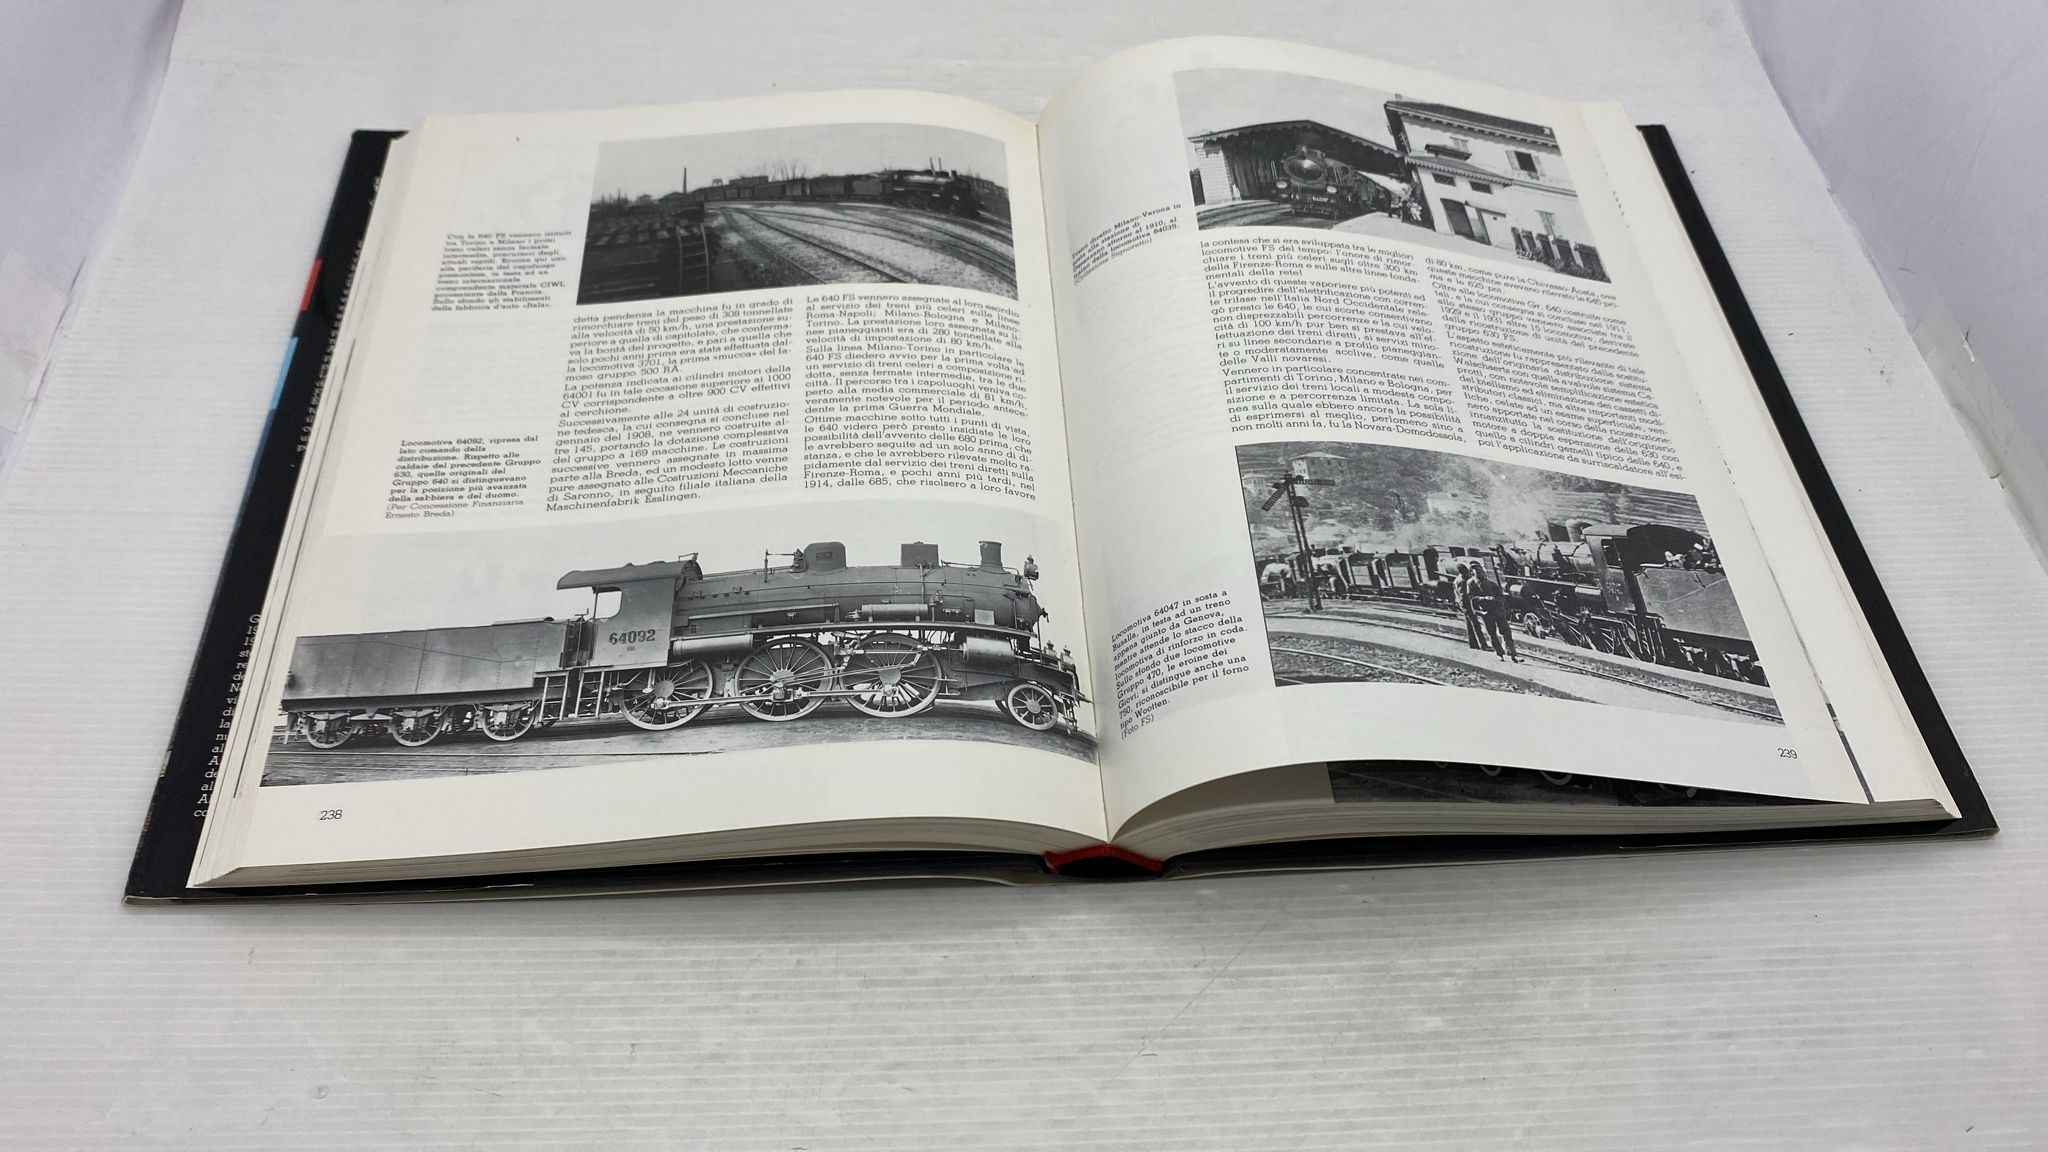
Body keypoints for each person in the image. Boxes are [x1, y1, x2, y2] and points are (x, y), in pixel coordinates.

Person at [1472, 566, 1521, 662]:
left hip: (1498, 610)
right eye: (1477, 573)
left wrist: (1497, 601)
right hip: (1486, 612)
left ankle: (1513, 654)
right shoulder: (1471, 584)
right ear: (1474, 573)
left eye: (1481, 573)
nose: (1481, 575)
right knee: (1492, 634)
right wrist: (1483, 599)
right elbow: (1471, 597)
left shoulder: (1492, 584)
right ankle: (1499, 654)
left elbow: (1501, 597)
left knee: (1506, 632)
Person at [1454, 564, 1483, 650]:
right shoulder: (1462, 581)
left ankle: (1473, 644)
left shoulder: (1458, 579)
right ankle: (1482, 645)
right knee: (1475, 625)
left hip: (1464, 604)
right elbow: (1464, 596)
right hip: (1467, 605)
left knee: (1469, 625)